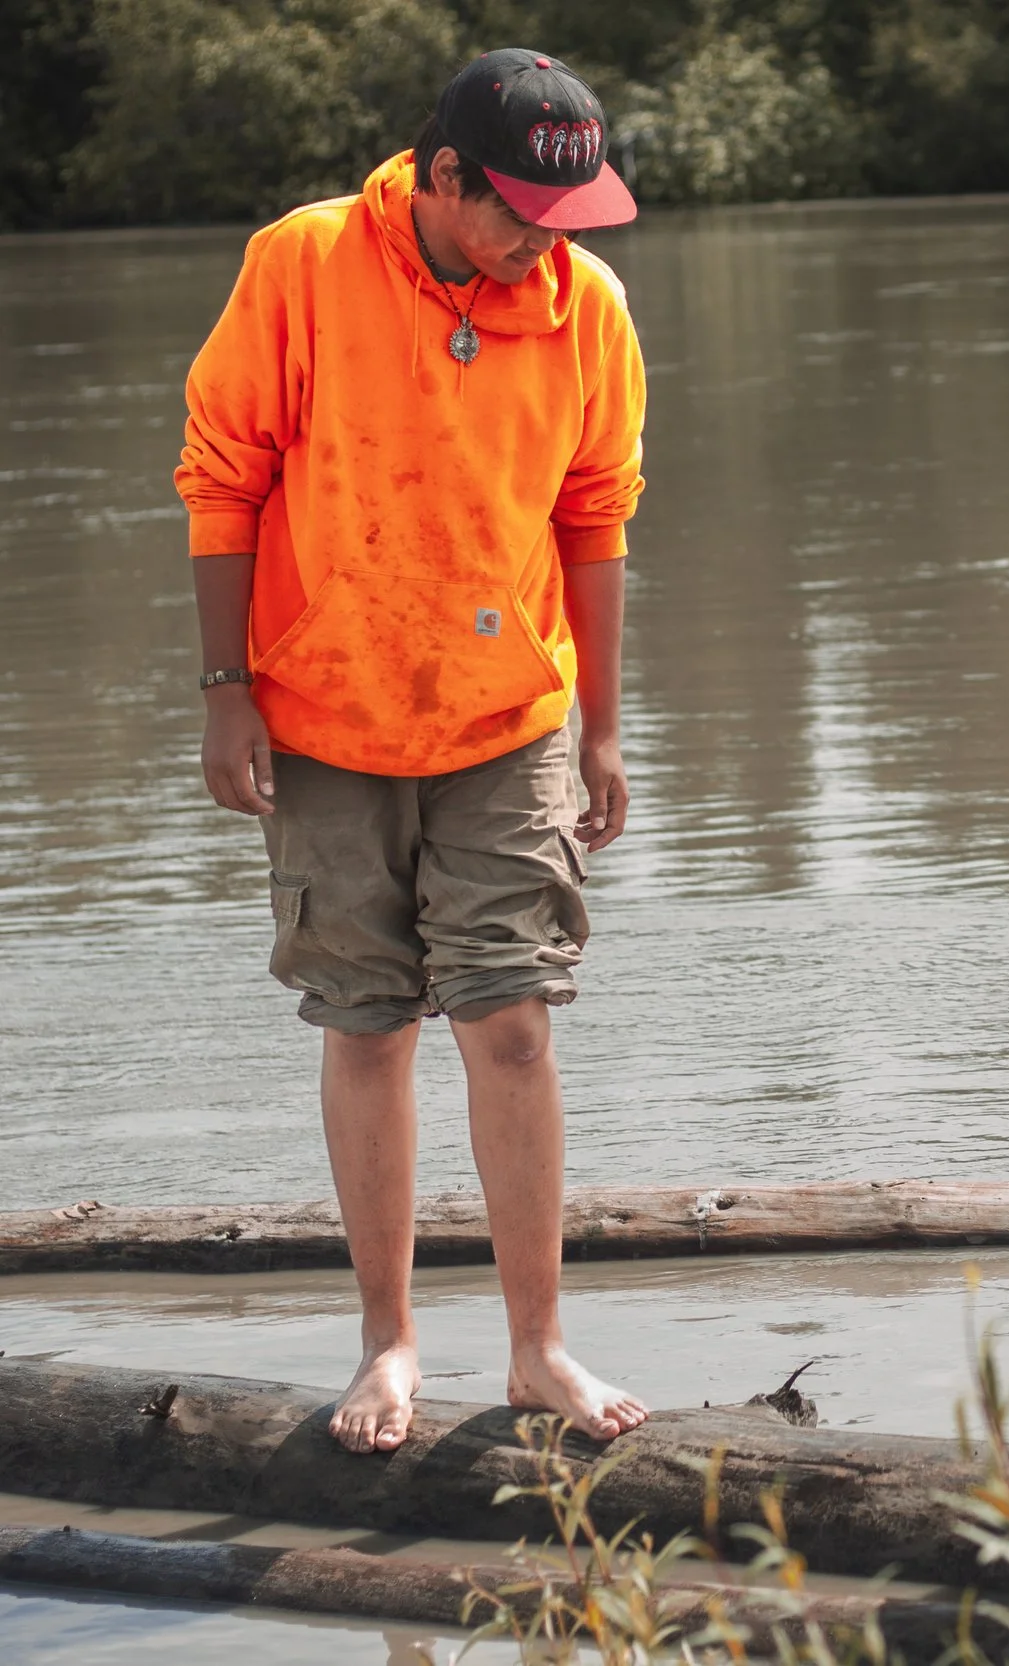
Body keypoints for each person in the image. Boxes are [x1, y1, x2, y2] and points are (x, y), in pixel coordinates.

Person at [174, 50, 650, 1455]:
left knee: (511, 1019)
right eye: (514, 210)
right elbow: (223, 475)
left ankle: (538, 1347)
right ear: (442, 177)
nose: (539, 240)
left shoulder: (587, 307)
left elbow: (597, 511)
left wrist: (609, 724)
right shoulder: (305, 264)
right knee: (368, 1024)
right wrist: (223, 690)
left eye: (564, 213)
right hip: (321, 710)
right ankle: (388, 1340)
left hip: (508, 717)